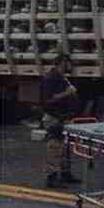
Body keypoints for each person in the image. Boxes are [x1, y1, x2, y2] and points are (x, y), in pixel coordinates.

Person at [40, 53, 82, 187]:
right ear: (63, 62)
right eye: (69, 63)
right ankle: (51, 177)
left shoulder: (62, 78)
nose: (71, 66)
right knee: (54, 148)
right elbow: (48, 100)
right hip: (54, 117)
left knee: (65, 147)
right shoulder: (50, 78)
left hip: (63, 117)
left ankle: (65, 174)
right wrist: (67, 93)